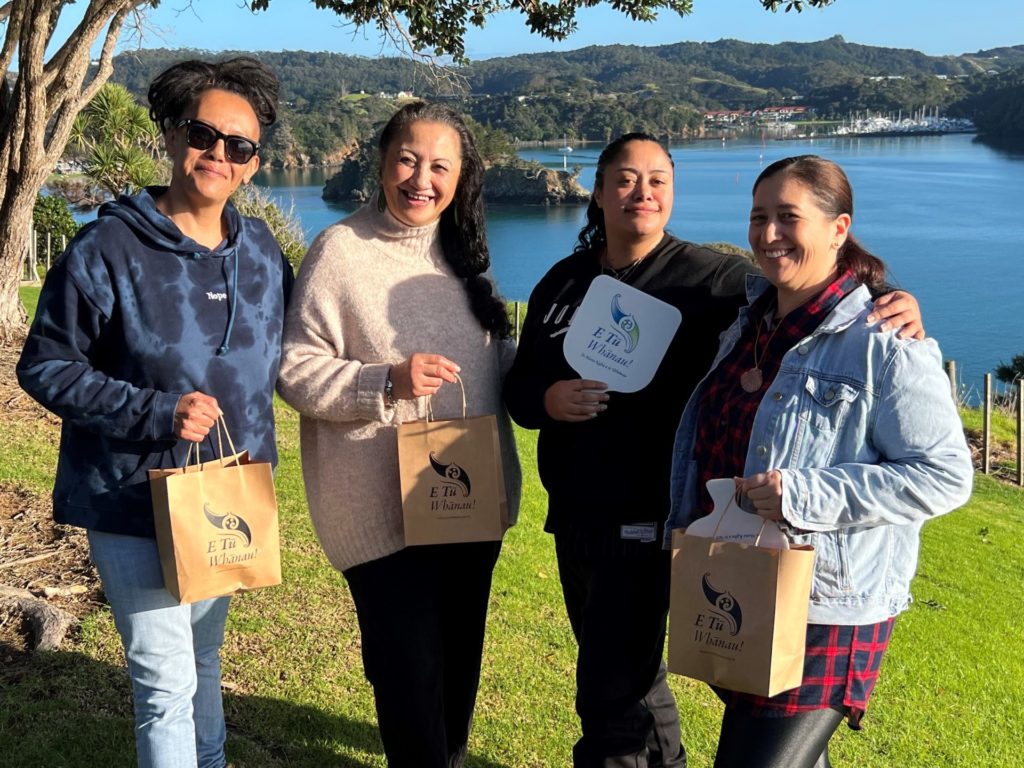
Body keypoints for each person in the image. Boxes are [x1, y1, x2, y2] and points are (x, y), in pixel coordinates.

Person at [502, 134, 925, 768]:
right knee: (630, 678)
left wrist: (895, 297)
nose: (641, 193)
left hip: (659, 522)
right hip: (574, 514)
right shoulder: (564, 282)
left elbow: (813, 293)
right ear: (596, 190)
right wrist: (549, 399)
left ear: (672, 192)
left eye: (657, 180)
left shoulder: (717, 282)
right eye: (623, 179)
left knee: (610, 695)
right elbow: (520, 388)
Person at [16, 57, 292, 768]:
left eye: (240, 146)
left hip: (227, 497)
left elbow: (292, 358)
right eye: (203, 135)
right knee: (164, 683)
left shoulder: (260, 251)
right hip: (133, 500)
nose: (219, 156)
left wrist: (382, 382)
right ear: (171, 136)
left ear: (255, 162)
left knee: (203, 658)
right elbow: (44, 365)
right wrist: (156, 412)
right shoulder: (106, 248)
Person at [666, 154, 973, 768]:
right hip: (749, 586)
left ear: (839, 228)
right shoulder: (746, 324)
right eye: (759, 217)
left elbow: (945, 475)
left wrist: (804, 496)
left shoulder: (884, 343)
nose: (769, 233)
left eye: (788, 217)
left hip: (827, 607)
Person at [276, 101, 522, 768]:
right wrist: (384, 383)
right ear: (382, 164)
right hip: (379, 514)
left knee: (456, 674)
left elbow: (496, 366)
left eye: (440, 165)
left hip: (468, 503)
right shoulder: (340, 251)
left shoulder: (467, 256)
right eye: (408, 159)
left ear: (462, 177)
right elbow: (295, 371)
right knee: (410, 678)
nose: (422, 178)